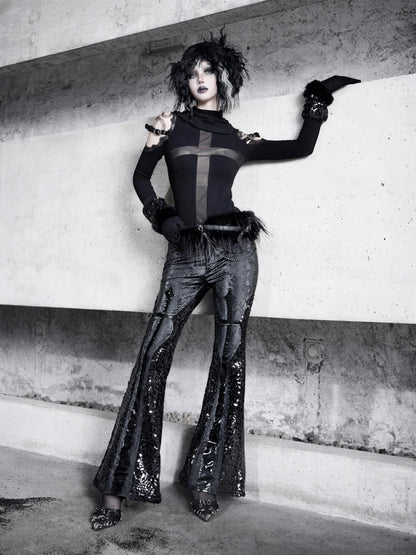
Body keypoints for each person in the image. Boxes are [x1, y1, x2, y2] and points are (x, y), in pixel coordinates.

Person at [90, 31, 359, 530]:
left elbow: (301, 147)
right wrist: (163, 220)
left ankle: (205, 480)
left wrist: (318, 101)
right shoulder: (169, 126)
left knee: (228, 362)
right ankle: (117, 487)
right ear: (184, 82)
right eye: (192, 74)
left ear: (223, 78)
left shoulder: (238, 139)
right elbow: (141, 178)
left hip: (235, 252)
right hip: (185, 253)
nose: (200, 80)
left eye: (208, 71)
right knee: (152, 357)